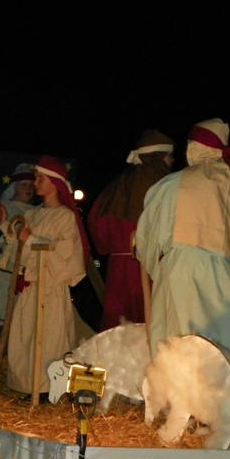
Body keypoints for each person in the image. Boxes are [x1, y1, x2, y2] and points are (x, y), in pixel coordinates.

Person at [134, 117, 230, 362]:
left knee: (181, 338)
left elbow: (150, 235)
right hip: (223, 273)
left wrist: (150, 263)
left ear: (196, 146)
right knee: (225, 339)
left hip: (183, 269)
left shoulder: (175, 184)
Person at [0, 155, 89, 397]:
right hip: (30, 289)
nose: (35, 183)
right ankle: (28, 387)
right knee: (25, 338)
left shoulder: (65, 217)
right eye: (36, 178)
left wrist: (31, 239)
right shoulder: (33, 214)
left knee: (49, 339)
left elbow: (65, 255)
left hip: (50, 290)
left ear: (54, 183)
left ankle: (47, 390)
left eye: (40, 179)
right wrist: (5, 227)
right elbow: (19, 251)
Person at [87, 129, 175, 330]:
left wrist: (111, 245)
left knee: (119, 325)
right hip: (151, 267)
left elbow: (96, 224)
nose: (172, 161)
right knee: (151, 322)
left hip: (118, 268)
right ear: (159, 156)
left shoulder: (117, 184)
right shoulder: (162, 183)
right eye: (170, 156)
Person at [0, 163, 37, 319]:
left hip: (28, 271)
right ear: (15, 187)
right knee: (3, 311)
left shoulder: (38, 212)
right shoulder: (4, 208)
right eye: (24, 185)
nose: (28, 189)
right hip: (5, 272)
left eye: (31, 185)